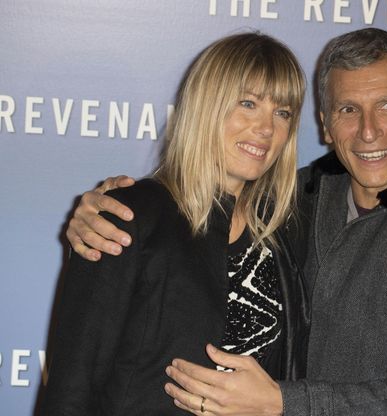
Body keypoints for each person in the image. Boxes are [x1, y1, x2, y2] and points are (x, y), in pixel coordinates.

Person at [66, 28, 387, 416]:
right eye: (348, 110)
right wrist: (106, 210)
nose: (368, 131)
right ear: (325, 125)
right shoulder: (293, 201)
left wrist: (283, 402)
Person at [42, 32, 309, 415]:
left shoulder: (283, 233)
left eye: (282, 113)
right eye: (248, 103)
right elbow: (72, 383)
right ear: (206, 106)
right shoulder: (127, 216)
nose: (266, 128)